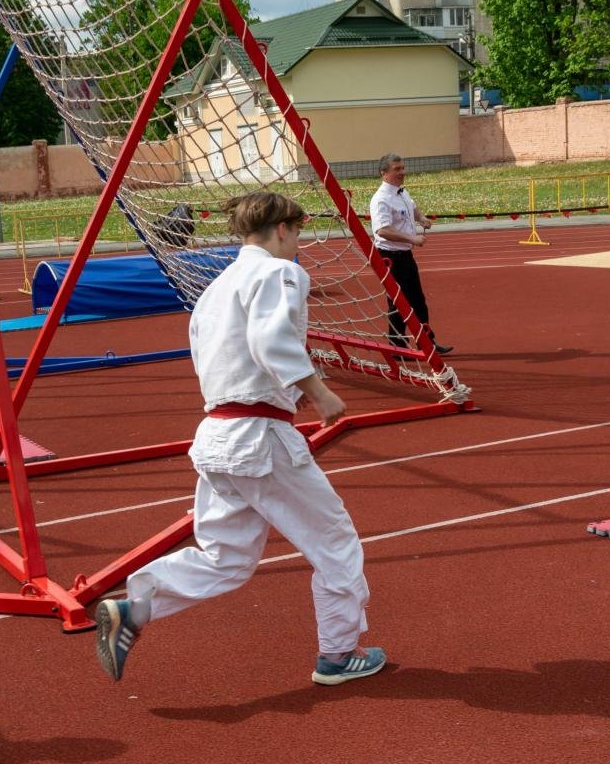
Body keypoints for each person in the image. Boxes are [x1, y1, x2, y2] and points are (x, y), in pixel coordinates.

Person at [95, 191, 384, 687]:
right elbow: (272, 340)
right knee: (334, 541)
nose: (299, 243)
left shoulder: (215, 288)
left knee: (224, 557)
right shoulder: (279, 273)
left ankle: (135, 608)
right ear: (283, 229)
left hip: (217, 436)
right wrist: (314, 389)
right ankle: (339, 654)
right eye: (298, 232)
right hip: (260, 436)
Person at [369, 153, 453, 354]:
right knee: (398, 302)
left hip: (405, 256)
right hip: (389, 257)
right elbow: (382, 230)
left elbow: (412, 207)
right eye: (397, 169)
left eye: (403, 168)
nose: (402, 172)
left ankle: (427, 343)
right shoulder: (381, 199)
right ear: (384, 173)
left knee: (418, 301)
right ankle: (397, 347)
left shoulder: (401, 192)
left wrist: (422, 218)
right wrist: (413, 239)